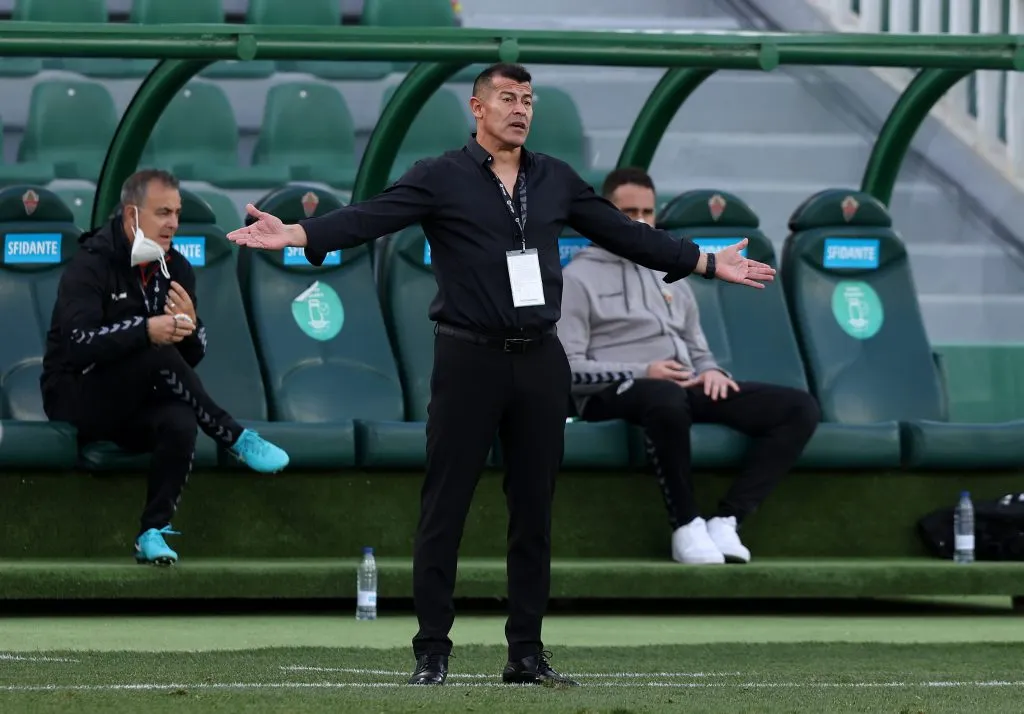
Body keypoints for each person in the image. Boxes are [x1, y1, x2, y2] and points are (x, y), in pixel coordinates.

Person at [225, 63, 776, 687]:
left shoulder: (556, 179)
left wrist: (704, 260)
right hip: (469, 357)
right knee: (446, 506)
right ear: (477, 108)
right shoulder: (441, 176)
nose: (520, 109)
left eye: (529, 100)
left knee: (534, 510)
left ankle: (526, 653)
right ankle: (432, 649)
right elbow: (369, 218)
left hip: (541, 359)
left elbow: (627, 236)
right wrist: (296, 232)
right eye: (508, 98)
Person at [557, 167, 821, 565]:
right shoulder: (576, 278)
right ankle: (686, 525)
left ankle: (728, 519)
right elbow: (568, 369)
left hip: (681, 385)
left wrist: (713, 372)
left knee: (798, 408)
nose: (641, 220)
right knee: (663, 395)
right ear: (604, 215)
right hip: (611, 394)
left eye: (648, 211)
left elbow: (699, 351)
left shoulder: (672, 272)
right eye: (628, 211)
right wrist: (644, 371)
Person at [40, 169, 290, 567]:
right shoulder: (89, 266)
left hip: (134, 402)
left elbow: (188, 359)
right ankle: (234, 436)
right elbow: (79, 344)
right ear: (131, 217)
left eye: (176, 212)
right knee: (152, 350)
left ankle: (152, 532)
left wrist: (189, 330)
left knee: (179, 418)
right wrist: (146, 330)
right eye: (162, 212)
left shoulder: (176, 269)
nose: (173, 222)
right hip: (76, 396)